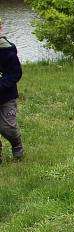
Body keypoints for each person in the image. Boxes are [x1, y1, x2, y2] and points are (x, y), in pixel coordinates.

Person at [0, 17, 24, 163]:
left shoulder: (7, 49)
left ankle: (16, 144)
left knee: (7, 128)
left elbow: (15, 73)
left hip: (6, 97)